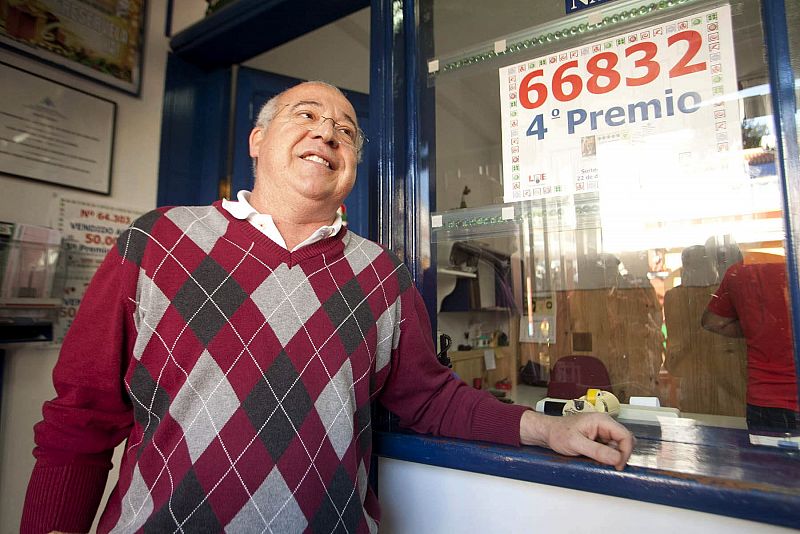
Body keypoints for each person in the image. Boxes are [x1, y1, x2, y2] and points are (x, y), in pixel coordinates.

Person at [21, 81, 634, 533]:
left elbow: (430, 397)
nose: (327, 132)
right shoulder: (156, 241)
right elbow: (81, 416)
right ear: (258, 141)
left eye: (345, 129)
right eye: (305, 115)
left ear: (351, 166)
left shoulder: (380, 274)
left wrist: (549, 427)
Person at [702, 260, 799, 432]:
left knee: (760, 458)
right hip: (790, 401)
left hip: (761, 403)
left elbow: (714, 322)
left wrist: (758, 328)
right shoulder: (794, 269)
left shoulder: (741, 271)